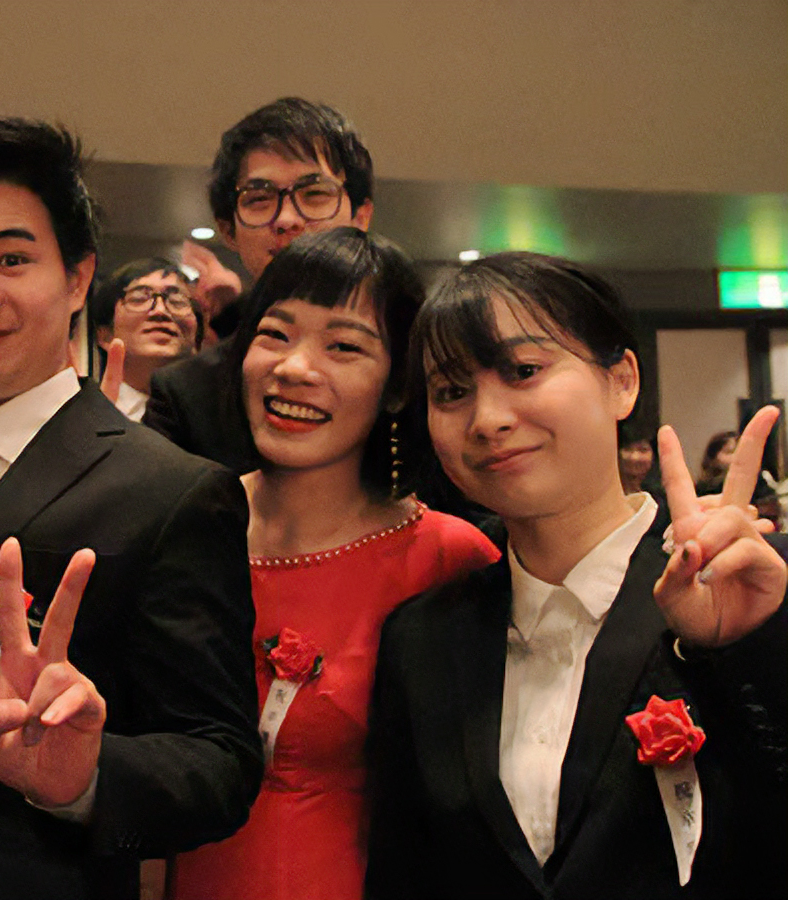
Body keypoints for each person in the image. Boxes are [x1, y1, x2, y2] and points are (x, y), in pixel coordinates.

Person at [0, 117, 262, 900]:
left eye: (12, 258)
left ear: (77, 278)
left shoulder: (168, 492)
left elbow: (220, 761)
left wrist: (85, 777)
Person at [366, 252, 787, 899]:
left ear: (622, 381)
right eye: (451, 392)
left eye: (524, 370)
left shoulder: (751, 587)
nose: (488, 419)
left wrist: (742, 647)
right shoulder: (421, 639)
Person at [168, 228, 498, 900]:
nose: (295, 368)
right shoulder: (180, 527)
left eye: (344, 346)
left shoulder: (448, 558)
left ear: (398, 386)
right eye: (275, 334)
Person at [144, 97, 375, 473]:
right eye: (259, 199)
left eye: (315, 194)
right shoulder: (187, 394)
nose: (287, 219)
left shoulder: (415, 365)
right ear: (228, 230)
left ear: (361, 217)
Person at [90, 258, 202, 421]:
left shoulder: (218, 416)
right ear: (106, 335)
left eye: (177, 300)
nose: (160, 311)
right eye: (139, 299)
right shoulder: (86, 416)